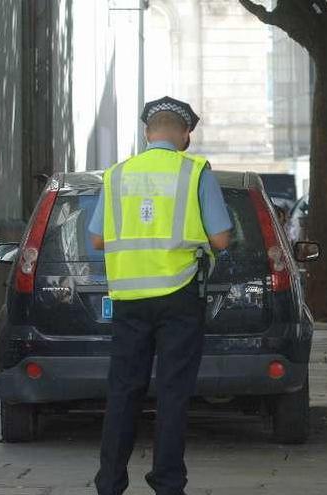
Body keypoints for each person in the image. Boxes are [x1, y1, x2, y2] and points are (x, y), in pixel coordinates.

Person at [88, 96, 232, 495]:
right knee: (173, 391)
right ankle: (168, 483)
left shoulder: (117, 175)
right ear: (185, 135)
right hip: (180, 294)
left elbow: (97, 238)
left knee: (123, 390)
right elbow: (220, 238)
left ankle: (110, 482)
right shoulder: (195, 172)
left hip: (129, 298)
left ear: (147, 133)